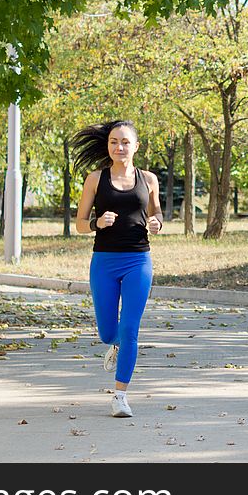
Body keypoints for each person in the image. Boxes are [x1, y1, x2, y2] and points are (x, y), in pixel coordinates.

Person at [73, 120, 163, 418]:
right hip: (105, 261)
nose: (119, 147)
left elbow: (157, 211)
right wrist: (97, 223)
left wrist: (157, 222)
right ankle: (115, 346)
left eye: (125, 142)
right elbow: (80, 224)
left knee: (130, 328)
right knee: (108, 331)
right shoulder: (95, 179)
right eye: (114, 142)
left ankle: (120, 395)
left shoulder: (148, 179)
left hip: (138, 260)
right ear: (108, 146)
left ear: (136, 146)